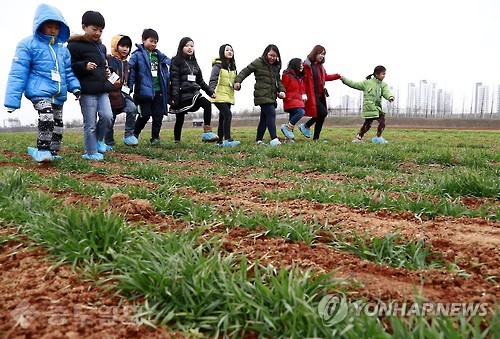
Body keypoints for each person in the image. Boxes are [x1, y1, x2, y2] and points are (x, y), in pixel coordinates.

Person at [4, 4, 81, 163]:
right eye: (49, 26)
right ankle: (42, 150)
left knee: (58, 124)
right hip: (39, 92)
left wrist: (76, 88)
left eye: (56, 27)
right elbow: (18, 73)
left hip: (58, 94)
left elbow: (68, 72)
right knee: (47, 116)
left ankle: (53, 151)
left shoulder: (63, 50)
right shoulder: (27, 44)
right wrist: (12, 101)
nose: (53, 30)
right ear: (40, 25)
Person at [67, 10, 113, 161]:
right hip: (87, 91)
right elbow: (70, 66)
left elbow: (102, 66)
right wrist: (84, 66)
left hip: (102, 89)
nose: (98, 33)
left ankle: (99, 141)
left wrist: (106, 72)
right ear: (84, 27)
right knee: (90, 123)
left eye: (100, 30)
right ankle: (91, 152)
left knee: (107, 116)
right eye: (94, 29)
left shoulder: (101, 47)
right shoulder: (73, 46)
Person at [234, 44, 286, 146]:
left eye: (275, 56)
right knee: (271, 114)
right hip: (262, 94)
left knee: (264, 118)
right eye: (270, 55)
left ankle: (258, 140)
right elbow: (246, 71)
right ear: (266, 53)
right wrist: (238, 81)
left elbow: (278, 80)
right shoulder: (258, 62)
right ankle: (274, 139)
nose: (272, 58)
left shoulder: (276, 67)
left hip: (271, 95)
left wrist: (282, 90)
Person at [169, 37, 218, 143]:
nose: (190, 48)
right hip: (182, 95)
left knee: (206, 104)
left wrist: (210, 92)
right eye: (187, 46)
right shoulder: (176, 61)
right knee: (179, 118)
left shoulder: (195, 63)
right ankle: (177, 140)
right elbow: (175, 81)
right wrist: (174, 97)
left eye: (191, 46)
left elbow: (200, 81)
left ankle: (207, 132)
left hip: (194, 94)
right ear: (181, 47)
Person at [129, 28, 170, 145]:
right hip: (143, 91)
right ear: (143, 40)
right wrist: (129, 88)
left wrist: (167, 89)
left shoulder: (160, 57)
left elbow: (165, 74)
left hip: (158, 91)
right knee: (145, 115)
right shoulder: (137, 55)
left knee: (158, 115)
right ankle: (134, 134)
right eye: (151, 41)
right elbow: (131, 72)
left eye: (155, 42)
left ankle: (155, 138)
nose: (153, 44)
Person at [341, 65, 394, 144]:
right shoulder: (367, 83)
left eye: (385, 74)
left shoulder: (383, 84)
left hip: (377, 108)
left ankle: (378, 138)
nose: (384, 76)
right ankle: (358, 138)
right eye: (383, 74)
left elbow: (386, 92)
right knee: (367, 124)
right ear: (376, 74)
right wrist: (345, 80)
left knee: (382, 122)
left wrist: (390, 97)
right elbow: (355, 84)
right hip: (369, 108)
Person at [299, 45, 341, 141]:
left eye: (323, 54)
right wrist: (303, 93)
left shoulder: (320, 66)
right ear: (314, 53)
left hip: (321, 95)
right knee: (323, 113)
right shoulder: (307, 65)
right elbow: (303, 81)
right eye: (320, 53)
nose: (322, 56)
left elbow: (325, 77)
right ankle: (306, 125)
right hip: (312, 95)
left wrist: (338, 76)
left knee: (321, 115)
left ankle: (316, 138)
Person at [104, 34, 138, 147]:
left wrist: (129, 88)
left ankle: (128, 135)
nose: (125, 49)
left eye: (127, 47)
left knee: (132, 108)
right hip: (111, 95)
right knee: (110, 120)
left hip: (124, 94)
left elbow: (130, 80)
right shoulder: (109, 59)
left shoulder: (128, 64)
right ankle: (109, 142)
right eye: (122, 46)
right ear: (115, 46)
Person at [209, 44, 240, 147]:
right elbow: (213, 79)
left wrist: (238, 86)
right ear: (222, 52)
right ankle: (228, 139)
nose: (230, 52)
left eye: (231, 50)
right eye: (227, 50)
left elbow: (236, 82)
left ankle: (219, 141)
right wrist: (211, 91)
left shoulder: (233, 67)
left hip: (228, 96)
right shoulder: (218, 65)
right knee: (228, 115)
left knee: (222, 118)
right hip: (218, 95)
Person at [280, 58, 306, 141]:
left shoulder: (299, 77)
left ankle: (289, 138)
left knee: (291, 119)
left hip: (298, 100)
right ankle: (287, 127)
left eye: (302, 65)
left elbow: (301, 89)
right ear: (295, 65)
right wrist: (284, 96)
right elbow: (283, 88)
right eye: (300, 64)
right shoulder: (287, 75)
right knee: (300, 112)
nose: (302, 66)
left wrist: (303, 95)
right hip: (290, 100)